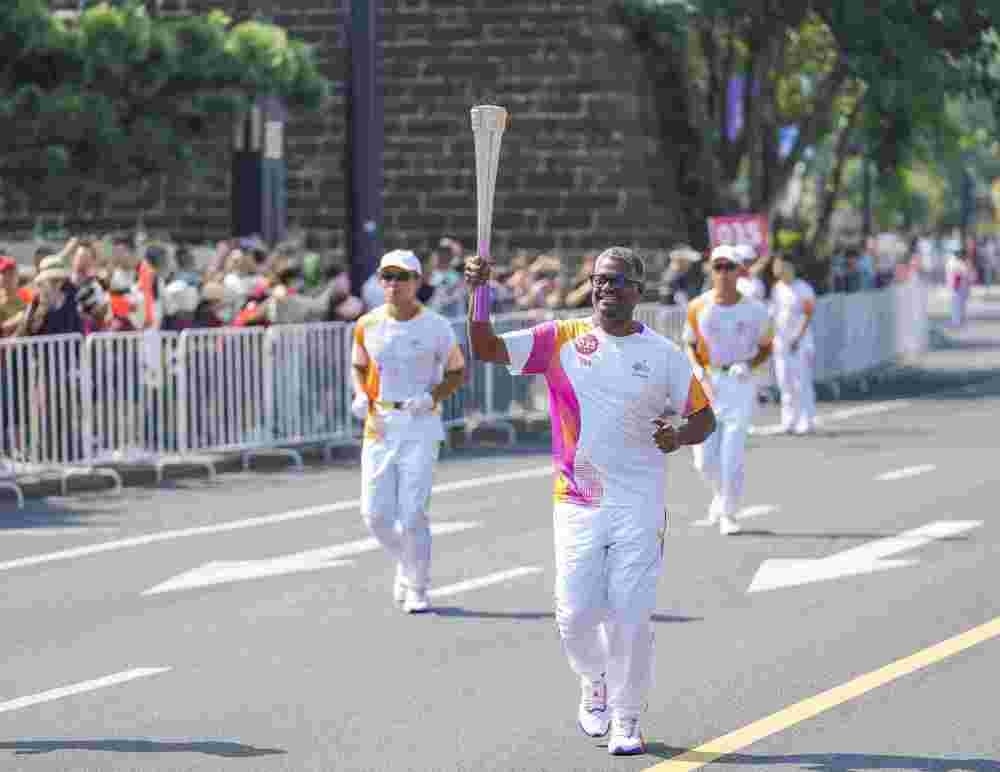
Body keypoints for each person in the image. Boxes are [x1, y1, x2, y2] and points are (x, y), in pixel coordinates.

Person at [464, 246, 716, 756]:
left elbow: (704, 418)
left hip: (639, 503)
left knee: (631, 616)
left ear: (637, 291)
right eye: (600, 279)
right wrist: (479, 292)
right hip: (578, 499)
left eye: (617, 280)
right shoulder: (560, 338)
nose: (605, 287)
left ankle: (627, 717)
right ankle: (594, 678)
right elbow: (486, 347)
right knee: (574, 615)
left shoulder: (662, 355)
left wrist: (678, 435)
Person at [351, 249, 466, 614]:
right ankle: (407, 562)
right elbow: (359, 365)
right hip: (380, 423)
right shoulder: (367, 324)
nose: (393, 284)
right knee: (374, 515)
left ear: (417, 281)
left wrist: (431, 397)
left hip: (420, 422)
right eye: (387, 277)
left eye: (401, 277)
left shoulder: (436, 326)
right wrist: (360, 394)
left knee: (413, 512)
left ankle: (417, 585)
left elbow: (457, 371)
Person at [683, 245, 773, 535]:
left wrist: (749, 365)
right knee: (703, 460)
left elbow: (766, 346)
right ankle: (720, 496)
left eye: (729, 267)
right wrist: (697, 369)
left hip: (739, 383)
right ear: (711, 270)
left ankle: (729, 513)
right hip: (708, 383)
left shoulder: (755, 310)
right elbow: (689, 343)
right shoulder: (698, 306)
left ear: (739, 271)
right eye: (718, 267)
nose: (723, 273)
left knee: (731, 455)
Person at [770, 256, 817, 434]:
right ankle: (788, 420)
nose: (777, 269)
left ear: (790, 267)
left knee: (801, 383)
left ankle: (806, 420)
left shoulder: (803, 289)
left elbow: (808, 314)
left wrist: (798, 337)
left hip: (800, 343)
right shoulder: (777, 289)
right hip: (781, 342)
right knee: (785, 383)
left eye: (780, 266)